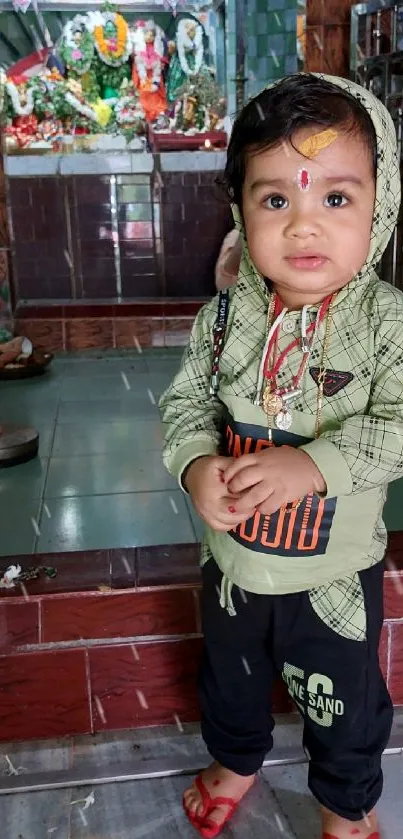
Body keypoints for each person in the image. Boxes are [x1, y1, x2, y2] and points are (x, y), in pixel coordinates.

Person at [159, 73, 403, 839]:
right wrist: (196, 462)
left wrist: (314, 465)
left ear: (380, 201)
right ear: (240, 211)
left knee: (344, 703)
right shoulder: (224, 318)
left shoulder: (386, 324)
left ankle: (344, 806)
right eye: (275, 200)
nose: (303, 227)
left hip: (330, 579)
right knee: (228, 683)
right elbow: (184, 404)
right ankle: (236, 760)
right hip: (231, 566)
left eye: (334, 198)